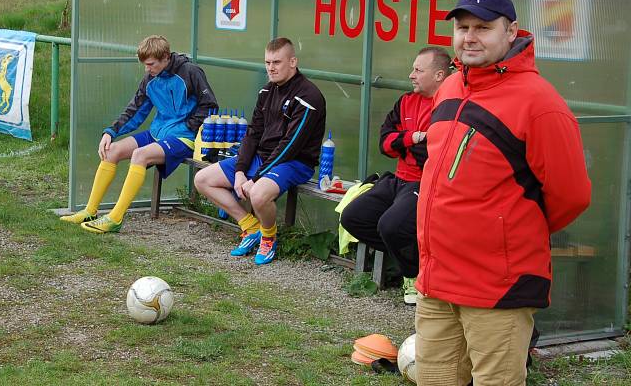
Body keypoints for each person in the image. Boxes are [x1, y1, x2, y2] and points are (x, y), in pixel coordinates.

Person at [414, 0, 591, 385]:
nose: (469, 36)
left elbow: (572, 196)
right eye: (462, 27)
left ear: (511, 31)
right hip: (438, 283)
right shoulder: (450, 88)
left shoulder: (540, 103)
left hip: (497, 288)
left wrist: (507, 231)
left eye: (483, 27)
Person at [60, 35, 218, 233]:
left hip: (184, 138)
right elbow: (135, 110)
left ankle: (115, 218)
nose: (147, 69)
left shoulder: (190, 72)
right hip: (158, 133)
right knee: (112, 151)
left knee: (139, 155)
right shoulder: (150, 79)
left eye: (151, 64)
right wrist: (111, 132)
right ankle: (90, 211)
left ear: (166, 57)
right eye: (144, 64)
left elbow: (210, 105)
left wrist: (187, 126)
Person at [193, 37, 326, 265]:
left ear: (293, 61)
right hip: (263, 158)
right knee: (202, 179)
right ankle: (250, 225)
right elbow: (253, 133)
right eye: (267, 62)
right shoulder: (266, 91)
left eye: (277, 62)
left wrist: (256, 177)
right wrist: (240, 171)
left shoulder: (308, 97)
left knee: (258, 194)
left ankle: (268, 236)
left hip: (294, 162)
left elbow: (290, 145)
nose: (271, 68)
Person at [340, 46, 451, 305]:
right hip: (397, 178)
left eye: (418, 70)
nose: (411, 75)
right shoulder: (405, 101)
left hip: (424, 182)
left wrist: (404, 144)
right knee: (353, 217)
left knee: (390, 225)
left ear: (439, 76)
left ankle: (412, 275)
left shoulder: (447, 106)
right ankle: (418, 259)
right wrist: (412, 137)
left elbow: (431, 154)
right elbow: (384, 143)